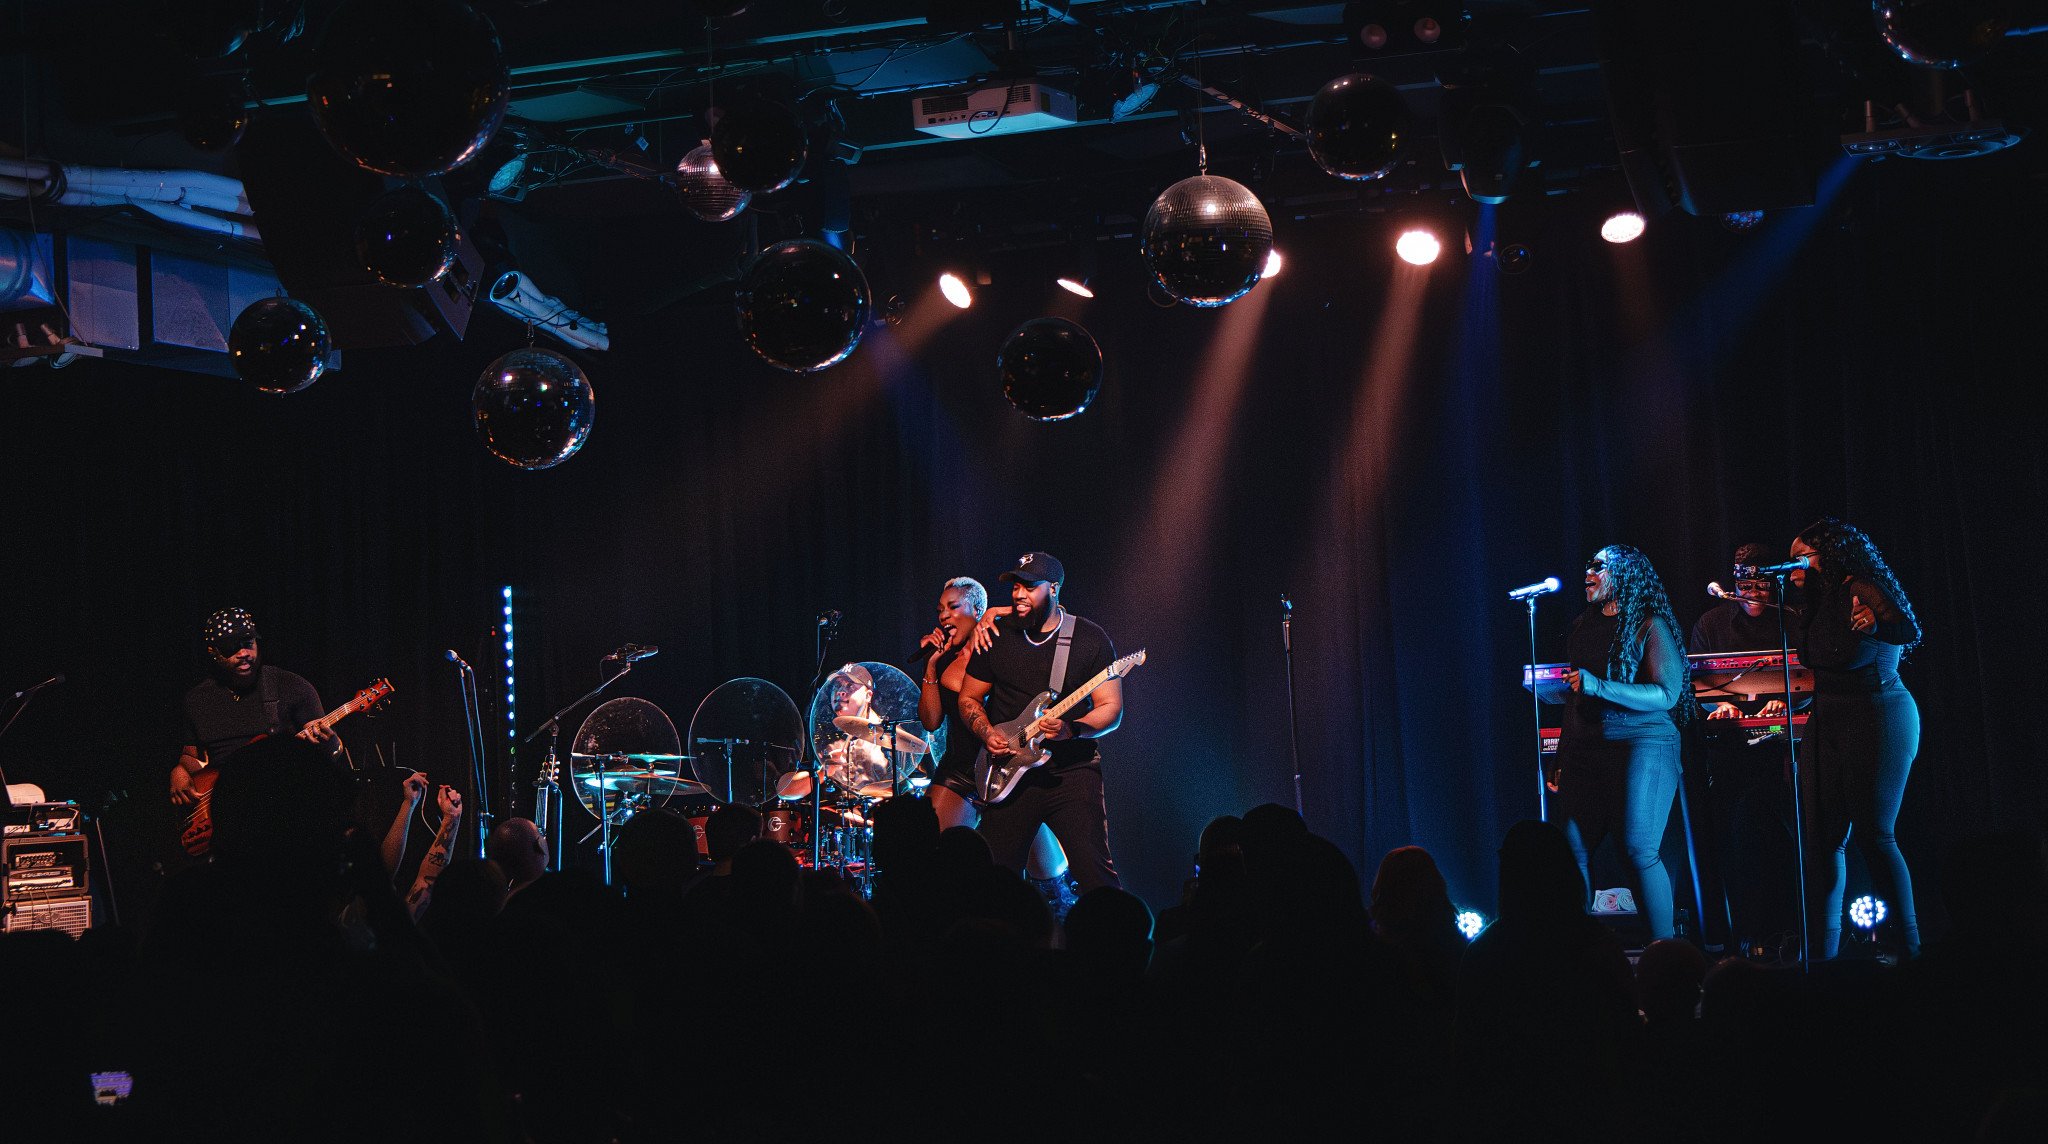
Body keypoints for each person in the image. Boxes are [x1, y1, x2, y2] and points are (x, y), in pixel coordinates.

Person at [1787, 517, 1922, 961]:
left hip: (1877, 712)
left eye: (1801, 558)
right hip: (1828, 720)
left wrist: (1876, 626)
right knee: (1822, 839)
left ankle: (1908, 950)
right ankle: (1821, 956)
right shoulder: (1815, 598)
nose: (1794, 568)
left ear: (1830, 554)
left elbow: (1908, 630)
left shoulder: (1860, 585)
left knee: (1874, 834)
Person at [956, 552, 1124, 892]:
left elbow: (1111, 708)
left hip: (1070, 774)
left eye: (1030, 587)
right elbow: (968, 697)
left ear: (1054, 588)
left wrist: (1071, 729)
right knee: (994, 884)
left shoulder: (1089, 639)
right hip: (1006, 774)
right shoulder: (996, 636)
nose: (1018, 594)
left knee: (1096, 878)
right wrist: (985, 731)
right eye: (1016, 586)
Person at [1556, 544, 1695, 942]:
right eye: (1588, 564)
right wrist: (1562, 756)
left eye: (1599, 566)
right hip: (1587, 748)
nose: (1589, 571)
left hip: (1643, 744)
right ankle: (1575, 952)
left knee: (1637, 850)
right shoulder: (1583, 626)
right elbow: (1575, 696)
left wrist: (1600, 685)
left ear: (1625, 575)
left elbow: (1666, 694)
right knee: (1572, 852)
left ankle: (1666, 956)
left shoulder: (1649, 626)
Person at [914, 575, 1073, 902]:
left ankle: (1058, 929)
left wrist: (997, 612)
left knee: (1049, 879)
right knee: (931, 855)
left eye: (953, 607)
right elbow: (930, 722)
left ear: (977, 609)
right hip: (961, 769)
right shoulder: (945, 657)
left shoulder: (1004, 638)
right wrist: (930, 666)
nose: (943, 616)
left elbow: (1056, 615)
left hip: (1012, 768)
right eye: (940, 609)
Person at [168, 607, 341, 808]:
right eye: (230, 647)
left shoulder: (291, 686)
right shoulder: (197, 700)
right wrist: (179, 771)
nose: (243, 653)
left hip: (283, 803)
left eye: (248, 643)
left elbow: (333, 754)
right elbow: (192, 756)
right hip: (225, 810)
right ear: (212, 652)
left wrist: (328, 742)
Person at [1689, 541, 1792, 722]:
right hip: (1728, 725)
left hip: (1781, 724)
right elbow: (1696, 683)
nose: (1753, 594)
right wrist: (1722, 704)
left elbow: (1806, 679)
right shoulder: (1710, 624)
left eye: (1761, 586)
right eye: (1745, 586)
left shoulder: (1788, 618)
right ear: (1735, 585)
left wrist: (1784, 701)